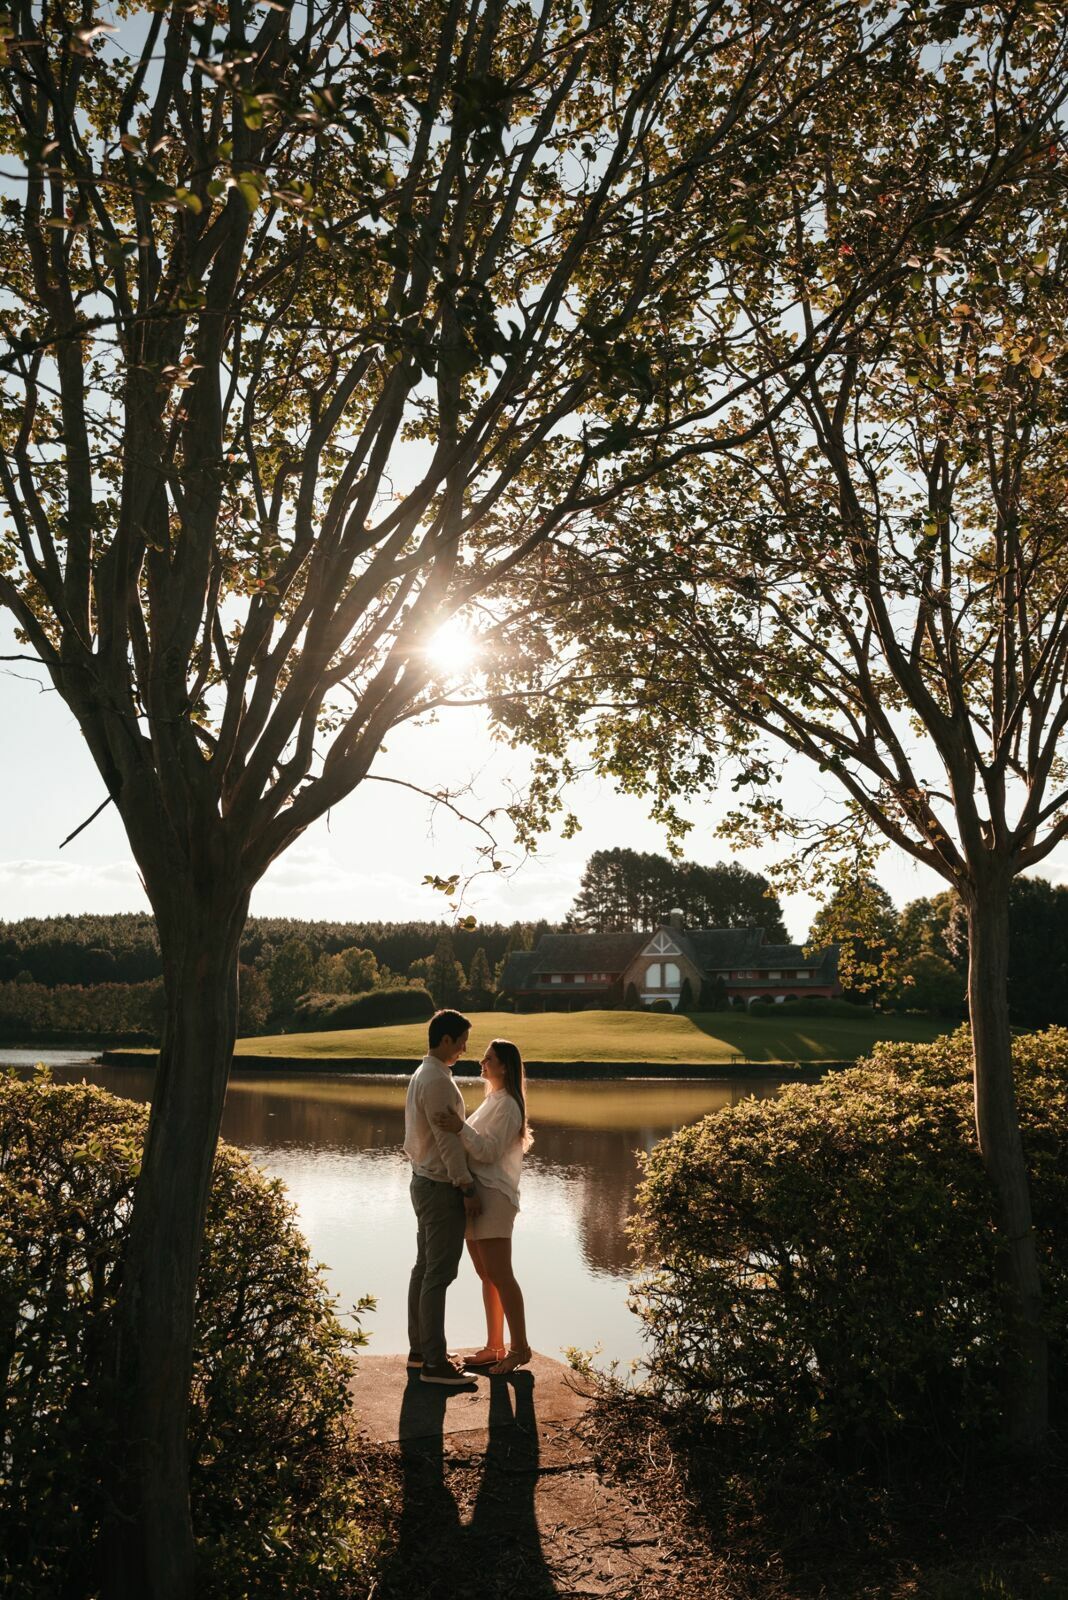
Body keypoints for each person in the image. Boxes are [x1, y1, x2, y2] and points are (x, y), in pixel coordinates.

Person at [433, 1038, 532, 1376]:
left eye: (488, 1059)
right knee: (486, 1275)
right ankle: (495, 1346)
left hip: (495, 1197)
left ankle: (519, 1348)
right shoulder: (494, 1100)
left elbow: (488, 1152)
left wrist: (460, 1127)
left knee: (501, 1275)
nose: (481, 1063)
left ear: (503, 1065)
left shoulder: (509, 1106)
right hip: (477, 1195)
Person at [403, 1008, 482, 1386]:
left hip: (423, 1180)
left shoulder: (424, 1073)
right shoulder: (437, 1081)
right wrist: (466, 1186)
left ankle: (421, 1351)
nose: (465, 1049)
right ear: (446, 1039)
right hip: (439, 1187)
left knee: (424, 1268)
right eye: (462, 1041)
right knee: (439, 1273)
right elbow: (447, 1142)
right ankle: (433, 1364)